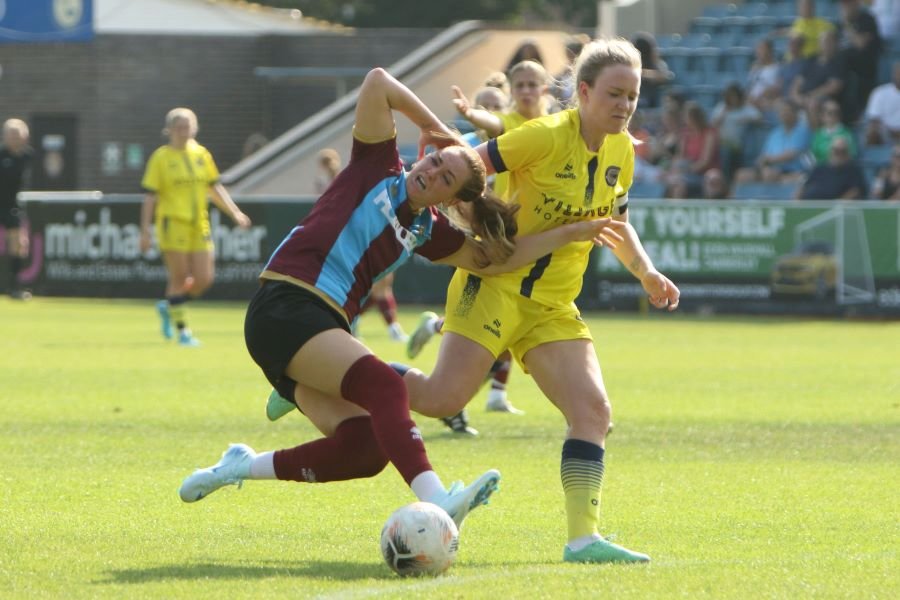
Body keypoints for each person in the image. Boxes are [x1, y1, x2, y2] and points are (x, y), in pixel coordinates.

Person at [181, 68, 626, 529]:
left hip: (317, 329)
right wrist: (440, 128)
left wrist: (571, 232)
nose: (431, 173)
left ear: (450, 200)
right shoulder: (377, 164)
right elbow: (378, 82)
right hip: (286, 305)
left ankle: (240, 466)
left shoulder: (427, 230)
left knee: (365, 449)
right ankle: (438, 496)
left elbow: (497, 262)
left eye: (445, 178)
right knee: (387, 387)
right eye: (434, 162)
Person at [399, 38, 679, 564]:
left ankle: (582, 540)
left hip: (552, 304)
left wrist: (647, 272)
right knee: (442, 400)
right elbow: (466, 164)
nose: (624, 106)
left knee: (593, 412)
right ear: (584, 91)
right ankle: (339, 378)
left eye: (633, 97)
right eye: (615, 94)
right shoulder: (543, 136)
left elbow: (616, 224)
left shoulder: (621, 150)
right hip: (497, 285)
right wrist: (444, 218)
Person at [140, 108, 252, 346]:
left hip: (199, 223)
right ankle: (183, 332)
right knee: (179, 276)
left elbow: (214, 187)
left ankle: (171, 304)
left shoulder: (201, 154)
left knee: (203, 279)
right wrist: (145, 231)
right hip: (173, 223)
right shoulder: (161, 158)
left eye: (187, 126)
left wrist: (235, 212)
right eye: (179, 127)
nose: (183, 132)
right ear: (169, 130)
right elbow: (150, 196)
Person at [736, 99, 812, 183]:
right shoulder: (775, 133)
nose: (784, 113)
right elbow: (764, 155)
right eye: (781, 111)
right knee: (742, 175)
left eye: (787, 111)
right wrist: (764, 166)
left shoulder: (803, 130)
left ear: (795, 113)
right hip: (773, 169)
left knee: (769, 175)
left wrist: (769, 160)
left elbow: (791, 154)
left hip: (794, 171)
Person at [0, 119, 33, 300]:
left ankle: (15, 288)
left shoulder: (27, 157)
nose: (14, 138)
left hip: (12, 206)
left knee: (18, 245)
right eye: (11, 134)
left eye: (17, 134)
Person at [797, 136, 868, 199]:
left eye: (843, 151)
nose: (839, 154)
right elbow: (804, 186)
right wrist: (796, 202)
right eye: (836, 151)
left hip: (834, 210)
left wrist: (839, 204)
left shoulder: (853, 170)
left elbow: (856, 191)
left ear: (848, 153)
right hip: (810, 205)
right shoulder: (820, 168)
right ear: (830, 151)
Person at [863, 61, 900, 146]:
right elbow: (874, 119)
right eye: (897, 72)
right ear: (893, 74)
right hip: (885, 134)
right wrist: (891, 132)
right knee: (871, 131)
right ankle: (872, 157)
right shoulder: (880, 92)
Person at [809, 99, 856, 164]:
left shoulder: (846, 133)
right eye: (830, 113)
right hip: (820, 171)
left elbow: (852, 155)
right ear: (822, 116)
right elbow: (813, 156)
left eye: (837, 112)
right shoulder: (818, 133)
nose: (834, 115)